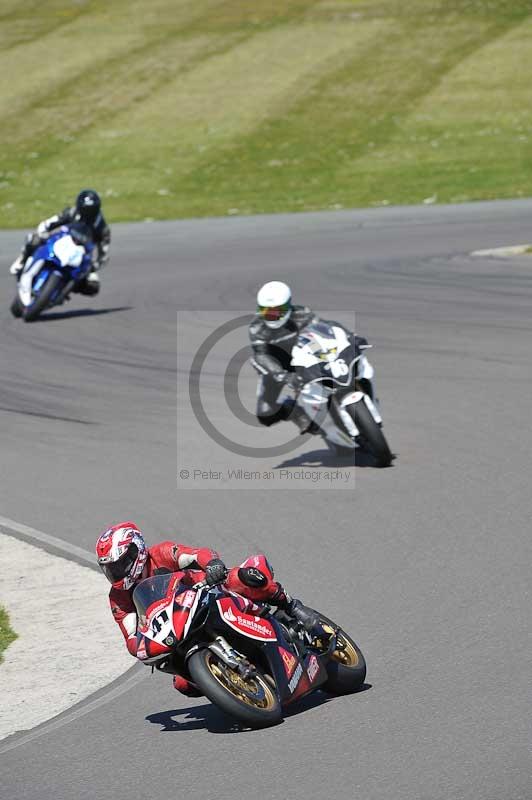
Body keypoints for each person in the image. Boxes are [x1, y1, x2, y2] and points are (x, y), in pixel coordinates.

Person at [96, 522, 319, 697]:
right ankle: (234, 686)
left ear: (137, 551)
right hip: (176, 630)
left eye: (120, 564)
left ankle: (292, 606)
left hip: (209, 593)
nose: (116, 572)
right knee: (183, 684)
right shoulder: (118, 597)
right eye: (110, 568)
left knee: (246, 576)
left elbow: (196, 554)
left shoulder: (161, 553)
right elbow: (131, 637)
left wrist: (212, 564)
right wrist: (141, 649)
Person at [249, 280, 368, 434]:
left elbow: (327, 327)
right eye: (266, 311)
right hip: (278, 368)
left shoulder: (302, 315)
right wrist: (283, 375)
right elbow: (261, 356)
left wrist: (350, 336)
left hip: (307, 358)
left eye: (277, 311)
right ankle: (294, 411)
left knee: (345, 371)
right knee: (265, 413)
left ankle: (362, 398)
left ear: (288, 306)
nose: (272, 316)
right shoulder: (256, 328)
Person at [9, 189, 110, 296]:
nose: (88, 214)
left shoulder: (101, 226)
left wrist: (96, 264)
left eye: (91, 211)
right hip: (64, 241)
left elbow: (104, 250)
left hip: (82, 253)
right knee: (33, 239)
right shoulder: (73, 212)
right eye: (85, 210)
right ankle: (21, 260)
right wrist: (43, 231)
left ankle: (64, 290)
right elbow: (51, 222)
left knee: (93, 286)